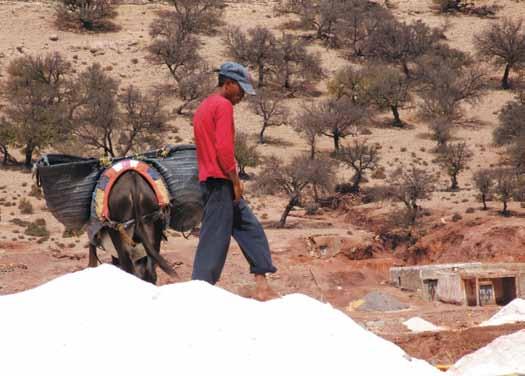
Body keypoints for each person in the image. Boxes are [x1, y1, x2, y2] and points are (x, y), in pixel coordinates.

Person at [192, 62, 278, 300]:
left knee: (250, 228)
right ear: (228, 84)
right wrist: (235, 179)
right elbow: (223, 149)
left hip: (212, 181)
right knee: (214, 239)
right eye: (240, 90)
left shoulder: (203, 106)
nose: (241, 96)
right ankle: (200, 290)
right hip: (220, 182)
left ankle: (262, 285)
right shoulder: (223, 105)